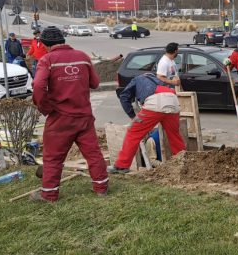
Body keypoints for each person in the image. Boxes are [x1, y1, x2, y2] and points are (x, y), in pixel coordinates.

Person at [31, 26, 108, 202]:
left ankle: (49, 194)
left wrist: (45, 108)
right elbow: (95, 84)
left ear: (44, 44)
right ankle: (101, 187)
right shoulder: (83, 57)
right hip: (84, 117)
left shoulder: (47, 60)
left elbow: (38, 86)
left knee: (53, 157)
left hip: (60, 118)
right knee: (93, 154)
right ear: (63, 40)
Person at [109, 73, 185, 174]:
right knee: (175, 136)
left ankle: (122, 165)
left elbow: (124, 96)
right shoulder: (157, 80)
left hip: (155, 103)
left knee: (133, 132)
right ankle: (184, 163)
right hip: (173, 101)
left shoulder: (136, 79)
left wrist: (133, 116)